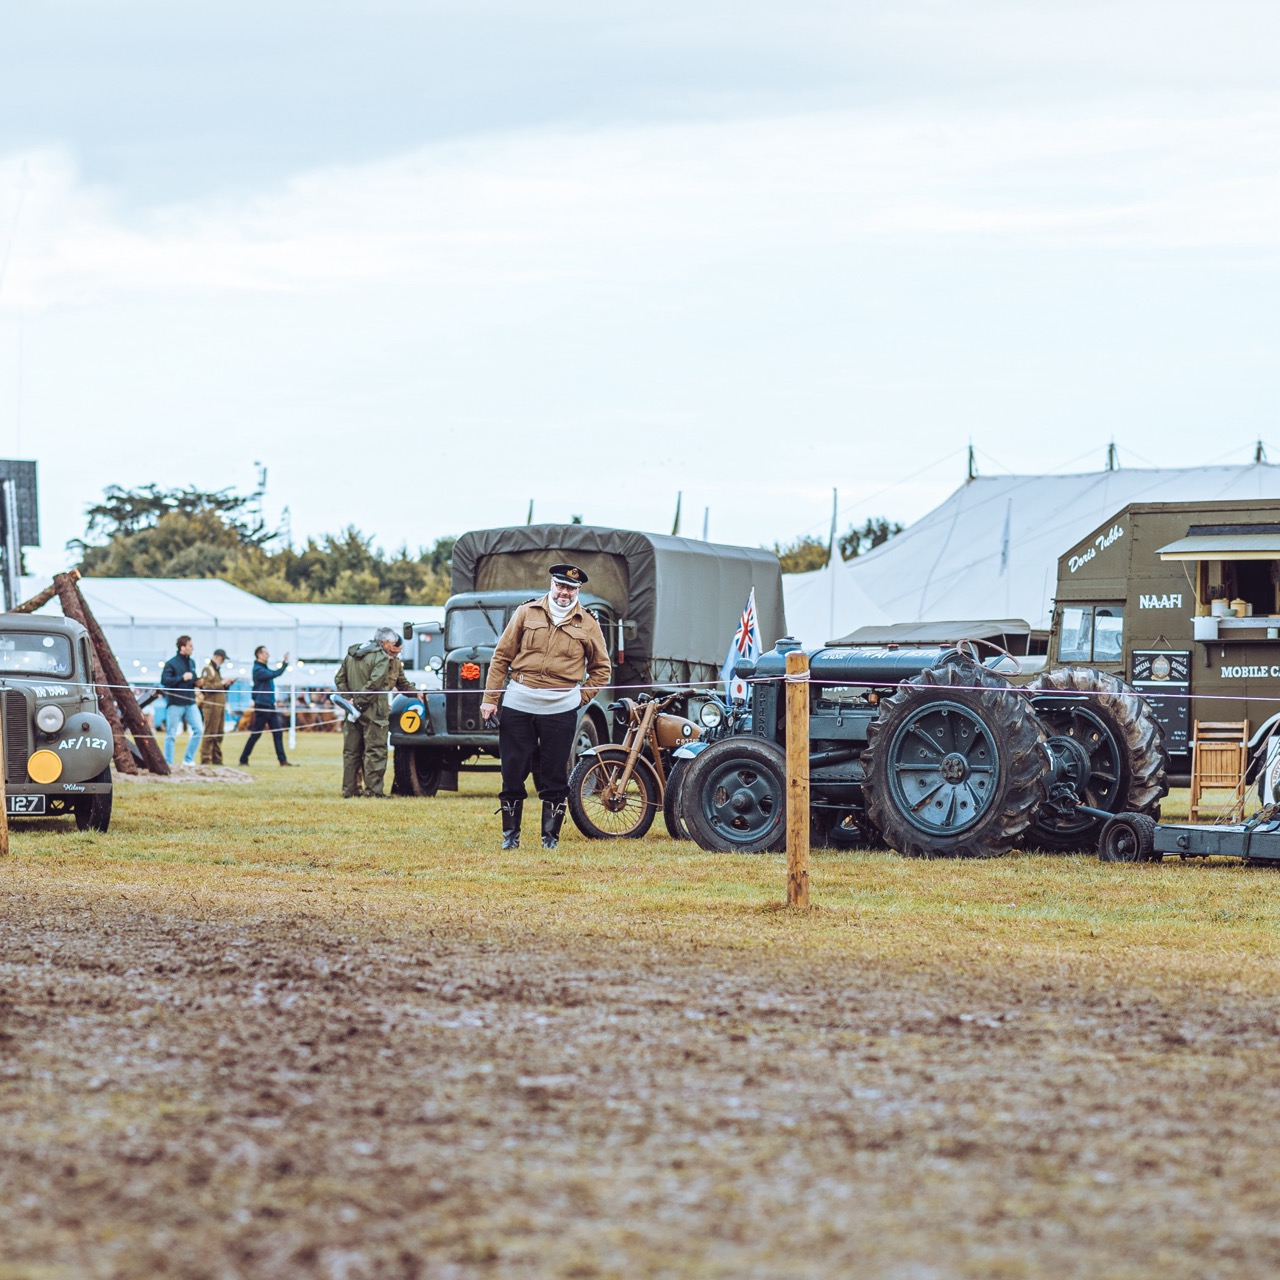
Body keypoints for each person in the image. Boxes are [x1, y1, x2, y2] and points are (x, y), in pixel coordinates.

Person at [481, 563, 611, 849]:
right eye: (560, 586)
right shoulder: (526, 612)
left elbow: (602, 668)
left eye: (571, 588)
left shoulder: (588, 622)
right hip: (519, 701)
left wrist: (580, 697)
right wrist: (490, 700)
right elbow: (501, 657)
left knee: (554, 774)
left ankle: (550, 838)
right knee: (513, 771)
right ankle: (510, 837)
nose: (564, 592)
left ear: (578, 591)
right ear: (552, 585)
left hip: (560, 706)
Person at [334, 627, 414, 798]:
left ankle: (350, 790)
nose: (393, 651)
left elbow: (340, 678)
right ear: (386, 643)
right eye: (392, 646)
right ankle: (373, 791)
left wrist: (349, 700)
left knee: (351, 752)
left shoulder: (353, 653)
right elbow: (375, 684)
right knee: (376, 751)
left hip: (352, 711)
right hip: (373, 710)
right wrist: (359, 703)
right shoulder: (381, 657)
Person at [239, 645, 295, 767]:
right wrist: (284, 663)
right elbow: (275, 673)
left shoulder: (262, 668)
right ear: (259, 654)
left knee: (277, 732)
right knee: (256, 733)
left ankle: (282, 760)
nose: (268, 655)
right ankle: (243, 759)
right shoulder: (258, 670)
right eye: (265, 653)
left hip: (269, 705)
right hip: (263, 705)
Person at [160, 634, 204, 767]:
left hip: (190, 703)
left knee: (199, 730)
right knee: (171, 734)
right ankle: (169, 762)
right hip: (175, 704)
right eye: (190, 646)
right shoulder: (171, 663)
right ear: (182, 647)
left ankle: (188, 759)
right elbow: (165, 681)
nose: (192, 648)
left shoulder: (192, 662)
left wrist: (198, 682)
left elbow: (193, 679)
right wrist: (181, 677)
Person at [197, 648, 236, 765]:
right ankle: (205, 759)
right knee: (210, 732)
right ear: (218, 657)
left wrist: (227, 684)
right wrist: (222, 683)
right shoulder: (208, 669)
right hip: (211, 706)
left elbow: (217, 687)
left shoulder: (216, 670)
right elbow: (206, 687)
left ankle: (217, 759)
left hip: (219, 706)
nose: (223, 662)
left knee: (219, 732)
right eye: (223, 659)